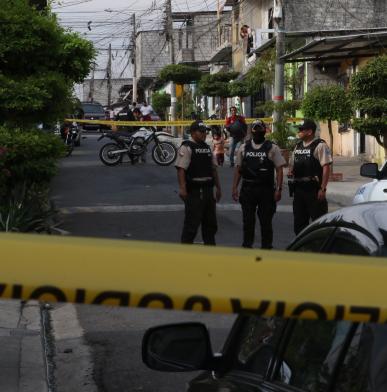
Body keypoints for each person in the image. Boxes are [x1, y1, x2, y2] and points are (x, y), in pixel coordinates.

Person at [232, 120, 286, 249]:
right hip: (248, 189)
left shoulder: (272, 147)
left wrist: (278, 189)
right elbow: (239, 169)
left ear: (264, 131)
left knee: (266, 222)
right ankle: (247, 247)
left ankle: (266, 248)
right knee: (248, 221)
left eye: (260, 128)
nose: (257, 131)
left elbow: (279, 169)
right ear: (252, 131)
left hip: (266, 190)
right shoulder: (244, 147)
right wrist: (234, 187)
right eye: (255, 129)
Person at [175, 120, 222, 245]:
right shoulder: (187, 147)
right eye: (200, 132)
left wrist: (218, 188)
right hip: (194, 192)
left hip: (208, 191)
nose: (204, 134)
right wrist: (182, 188)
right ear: (192, 132)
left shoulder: (207, 148)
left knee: (210, 224)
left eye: (205, 132)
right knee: (192, 224)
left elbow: (214, 169)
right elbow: (181, 169)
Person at [288, 119, 332, 235]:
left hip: (313, 190)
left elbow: (326, 167)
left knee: (318, 224)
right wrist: (291, 171)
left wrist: (323, 188)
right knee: (299, 224)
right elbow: (292, 165)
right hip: (298, 190)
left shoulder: (320, 145)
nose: (299, 131)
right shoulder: (298, 146)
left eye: (301, 129)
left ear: (309, 132)